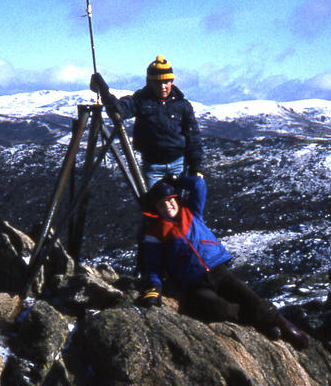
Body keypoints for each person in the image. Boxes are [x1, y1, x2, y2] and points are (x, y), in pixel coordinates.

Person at [138, 174, 310, 350]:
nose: (167, 206)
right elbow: (154, 265)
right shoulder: (154, 233)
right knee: (220, 309)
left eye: (170, 200)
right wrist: (153, 288)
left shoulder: (191, 212)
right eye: (161, 204)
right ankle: (262, 324)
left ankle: (285, 327)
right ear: (155, 209)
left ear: (176, 199)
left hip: (217, 270)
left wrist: (175, 180)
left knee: (249, 297)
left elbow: (198, 184)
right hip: (193, 282)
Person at [90, 55, 203, 187]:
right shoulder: (140, 100)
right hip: (152, 167)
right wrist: (104, 91)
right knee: (152, 206)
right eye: (158, 82)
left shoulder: (182, 105)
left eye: (166, 82)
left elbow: (193, 137)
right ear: (149, 83)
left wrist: (196, 167)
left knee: (178, 207)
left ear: (172, 82)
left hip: (179, 165)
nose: (163, 86)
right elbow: (119, 110)